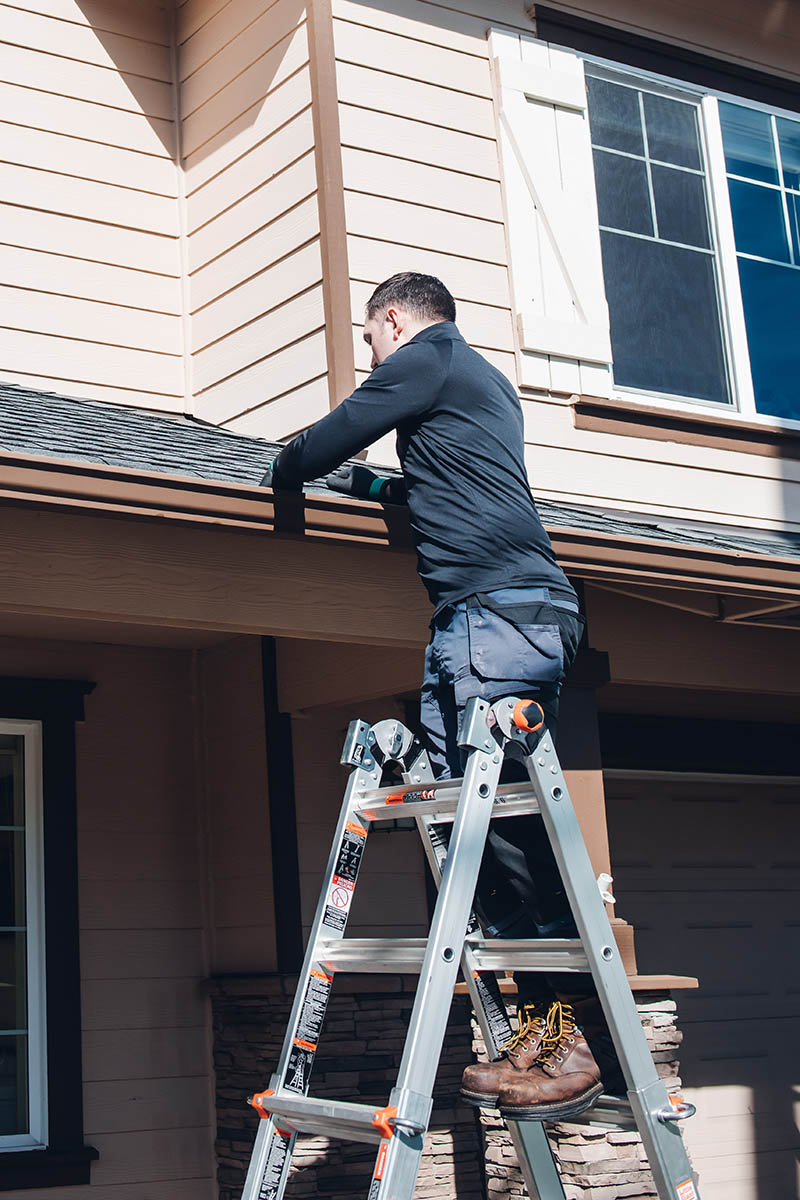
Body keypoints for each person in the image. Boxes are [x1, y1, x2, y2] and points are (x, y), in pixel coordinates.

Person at [262, 272, 618, 1120]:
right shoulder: (477, 386)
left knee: (506, 837)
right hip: (493, 618)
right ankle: (540, 1038)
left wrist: (286, 466)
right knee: (482, 832)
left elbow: (336, 433)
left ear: (393, 320)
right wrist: (374, 492)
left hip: (498, 618)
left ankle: (566, 1046)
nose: (376, 357)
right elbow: (436, 492)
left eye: (372, 340)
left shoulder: (433, 355)